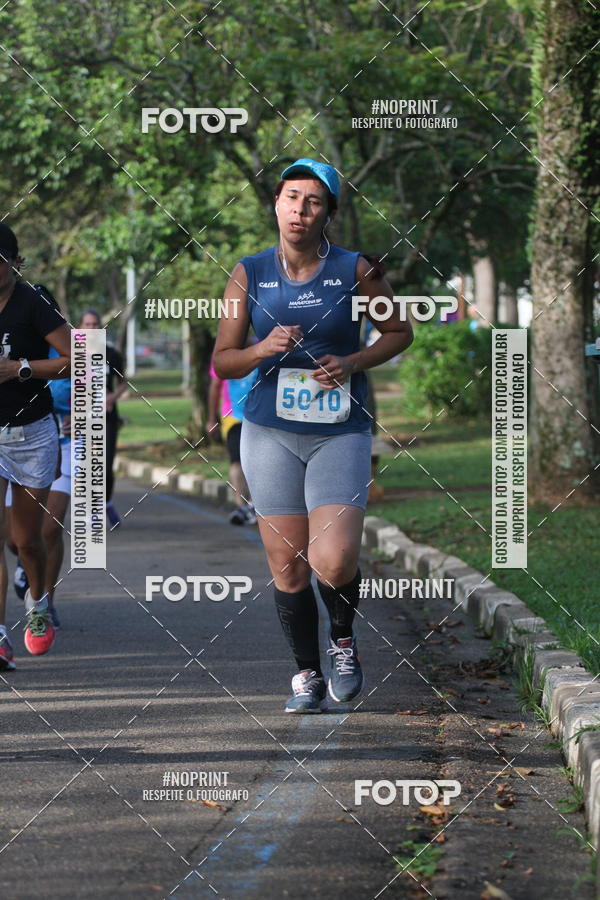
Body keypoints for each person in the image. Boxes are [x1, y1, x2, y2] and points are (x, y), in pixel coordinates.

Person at [213, 158, 413, 712]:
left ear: (328, 213)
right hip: (269, 429)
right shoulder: (247, 273)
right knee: (288, 564)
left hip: (339, 429)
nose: (299, 210)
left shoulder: (355, 270)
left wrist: (352, 361)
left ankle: (343, 641)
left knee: (335, 557)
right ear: (276, 204)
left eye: (313, 201)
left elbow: (399, 332)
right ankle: (306, 674)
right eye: (291, 198)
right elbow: (224, 361)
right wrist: (261, 349)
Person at [0, 225, 71, 670]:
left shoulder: (33, 303)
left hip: (31, 434)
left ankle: (39, 604)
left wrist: (20, 369)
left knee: (27, 540)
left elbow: (75, 359)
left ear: (13, 262)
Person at [78, 310, 126, 528]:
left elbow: (124, 383)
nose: (91, 328)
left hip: (107, 417)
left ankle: (105, 502)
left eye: (95, 324)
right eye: (87, 324)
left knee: (105, 464)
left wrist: (111, 397)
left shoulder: (111, 354)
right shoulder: (73, 354)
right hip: (81, 418)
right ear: (80, 327)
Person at [207, 350, 258, 526]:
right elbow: (215, 387)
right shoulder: (225, 352)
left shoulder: (264, 345)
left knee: (259, 462)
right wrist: (212, 419)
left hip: (260, 415)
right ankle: (241, 506)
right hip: (233, 416)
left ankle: (253, 505)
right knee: (237, 461)